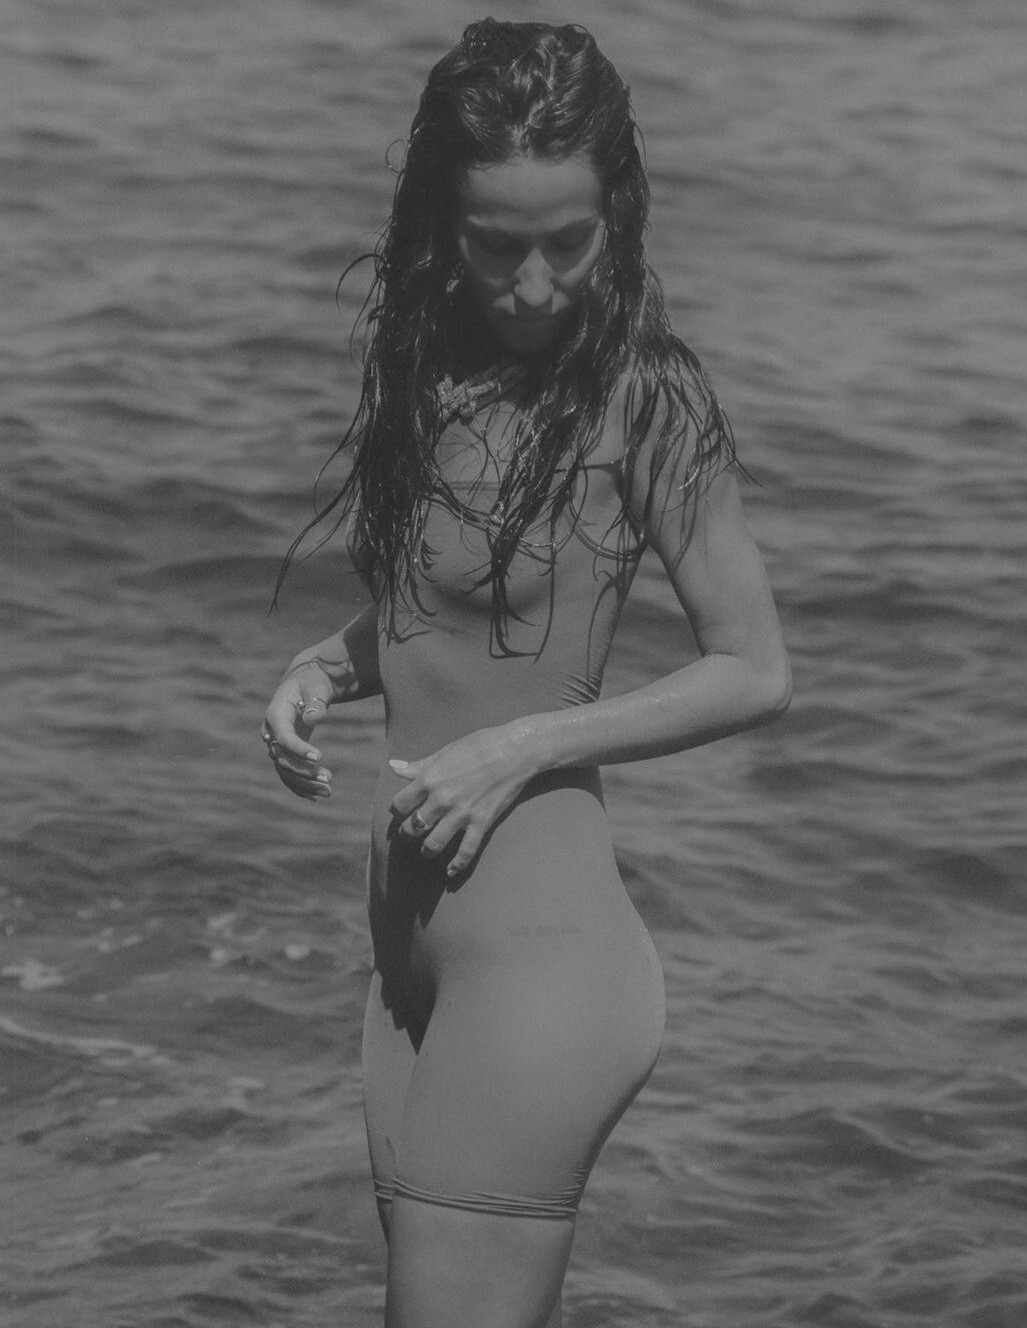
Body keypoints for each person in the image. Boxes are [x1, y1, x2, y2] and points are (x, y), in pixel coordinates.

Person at [261, 19, 790, 1328]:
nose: (538, 284)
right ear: (443, 225)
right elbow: (450, 616)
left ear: (620, 214)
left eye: (572, 241)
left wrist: (525, 746)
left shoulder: (644, 401)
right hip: (409, 958)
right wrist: (327, 664)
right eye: (498, 246)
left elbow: (753, 670)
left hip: (541, 964)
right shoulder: (428, 361)